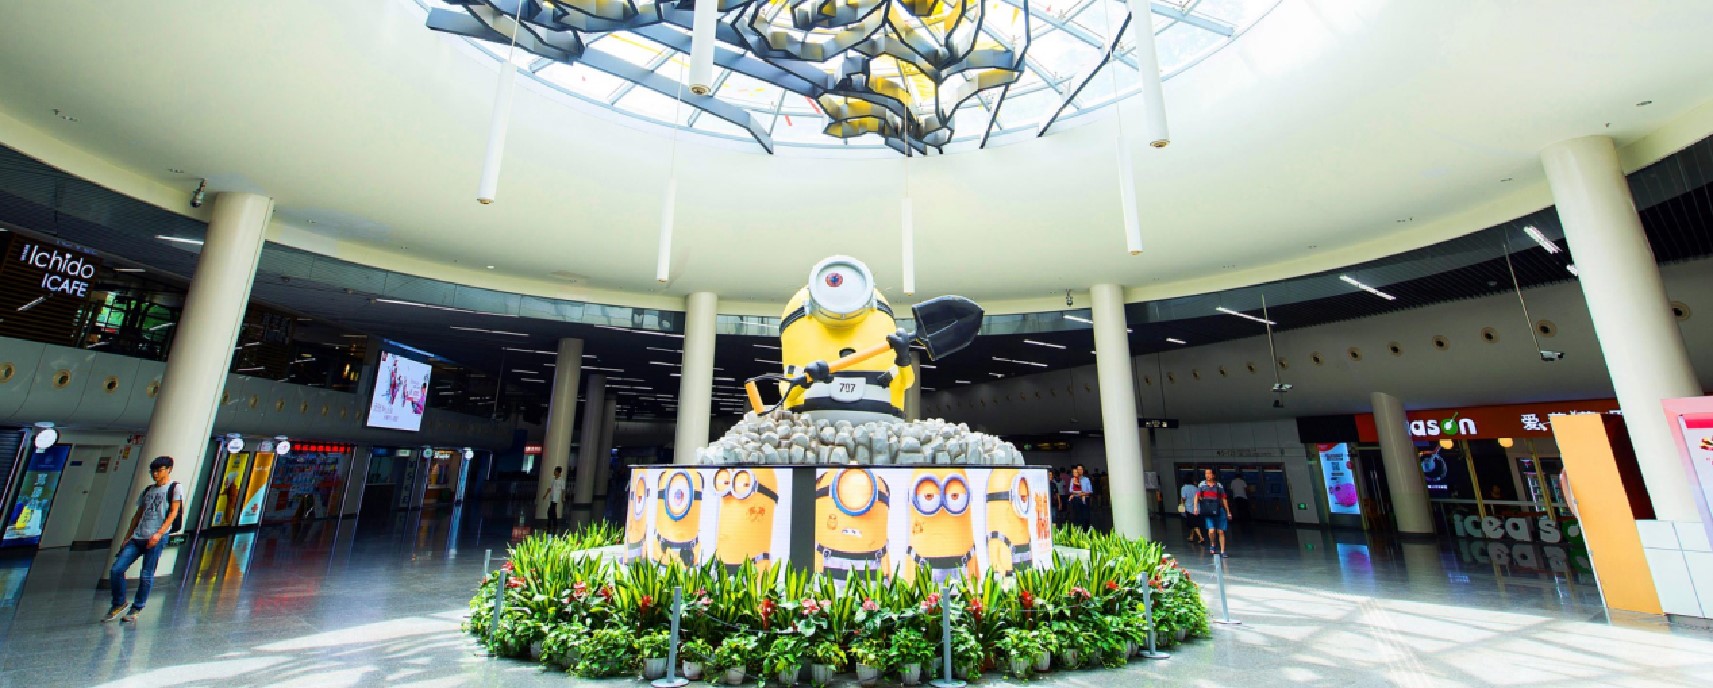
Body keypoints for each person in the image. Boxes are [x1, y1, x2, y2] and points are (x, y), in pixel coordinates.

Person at [105, 456, 183, 623]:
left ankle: (137, 607)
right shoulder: (148, 490)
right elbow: (138, 515)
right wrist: (127, 537)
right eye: (153, 471)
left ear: (169, 469)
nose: (155, 474)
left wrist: (159, 533)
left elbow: (173, 513)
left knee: (146, 574)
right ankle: (119, 602)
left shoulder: (175, 488)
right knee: (116, 569)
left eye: (159, 470)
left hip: (156, 537)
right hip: (138, 536)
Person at [1191, 468, 1231, 556]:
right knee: (1212, 531)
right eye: (1206, 473)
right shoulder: (1202, 485)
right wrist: (1195, 508)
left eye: (1209, 473)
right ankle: (1212, 544)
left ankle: (1222, 551)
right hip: (1208, 510)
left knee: (1221, 531)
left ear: (1213, 475)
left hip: (1219, 509)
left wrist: (1228, 511)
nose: (1207, 475)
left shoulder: (1219, 486)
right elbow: (1197, 496)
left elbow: (1224, 498)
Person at [1179, 479, 1205, 544]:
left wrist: (1181, 505)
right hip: (1197, 508)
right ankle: (1191, 537)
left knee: (1194, 524)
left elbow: (1183, 498)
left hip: (1189, 508)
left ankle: (1201, 538)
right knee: (1193, 523)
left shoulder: (1184, 488)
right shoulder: (1196, 488)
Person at [543, 466, 566, 531]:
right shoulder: (552, 479)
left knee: (550, 512)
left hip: (556, 498)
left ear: (559, 473)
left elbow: (563, 490)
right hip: (551, 497)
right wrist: (546, 495)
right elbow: (550, 488)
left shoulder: (562, 480)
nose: (554, 472)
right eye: (554, 471)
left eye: (555, 471)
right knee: (552, 512)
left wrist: (563, 498)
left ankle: (549, 526)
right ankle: (555, 525)